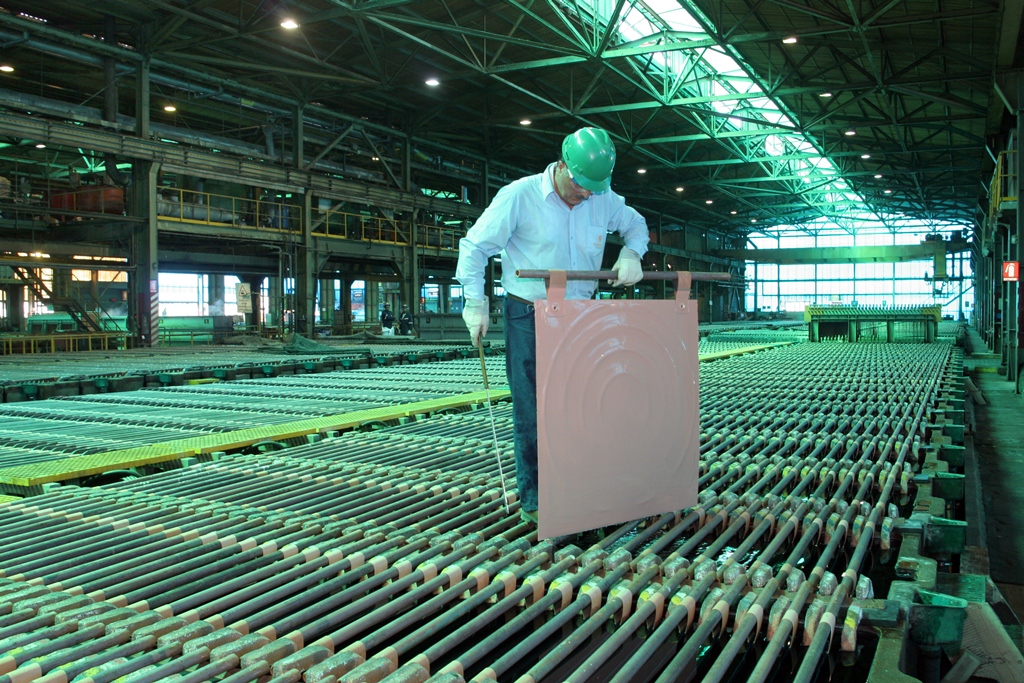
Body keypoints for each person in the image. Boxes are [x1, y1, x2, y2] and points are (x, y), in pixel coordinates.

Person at [456, 127, 649, 524]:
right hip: (530, 313)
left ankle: (583, 491)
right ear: (562, 166)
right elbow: (475, 247)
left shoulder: (601, 197)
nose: (586, 196)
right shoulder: (519, 196)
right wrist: (476, 301)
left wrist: (632, 252)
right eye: (581, 187)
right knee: (533, 409)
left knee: (587, 405)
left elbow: (635, 224)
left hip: (582, 317)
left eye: (594, 190)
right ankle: (537, 501)